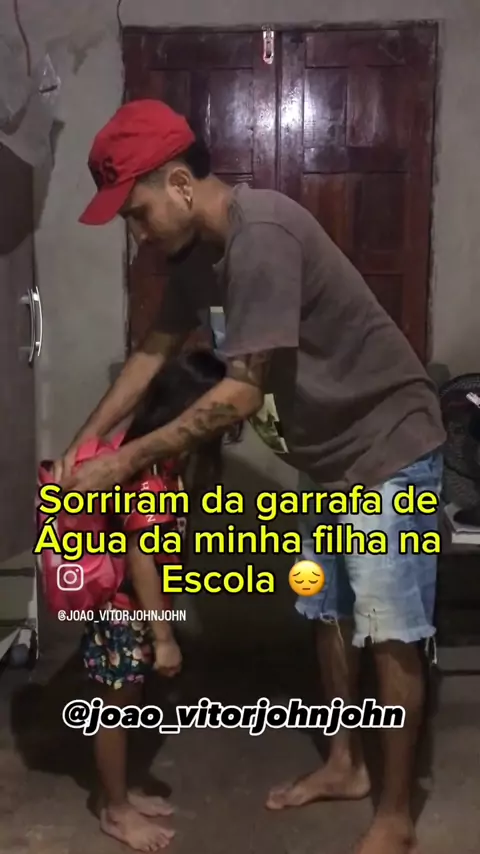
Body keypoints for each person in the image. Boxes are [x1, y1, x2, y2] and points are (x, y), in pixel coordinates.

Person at [56, 99, 446, 854]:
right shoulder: (194, 259)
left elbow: (240, 394)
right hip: (327, 456)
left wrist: (125, 461)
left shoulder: (260, 233)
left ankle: (396, 814)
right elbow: (152, 352)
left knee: (390, 629)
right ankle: (345, 765)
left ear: (179, 184)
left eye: (136, 214)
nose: (137, 235)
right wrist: (86, 441)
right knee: (327, 613)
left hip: (389, 442)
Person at [79, 349, 226, 852]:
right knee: (114, 708)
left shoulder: (161, 459)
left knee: (126, 703)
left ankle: (118, 790)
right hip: (124, 609)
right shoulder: (149, 472)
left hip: (134, 606)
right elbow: (141, 557)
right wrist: (164, 638)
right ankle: (115, 811)